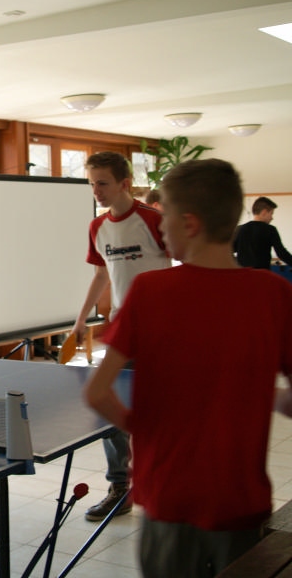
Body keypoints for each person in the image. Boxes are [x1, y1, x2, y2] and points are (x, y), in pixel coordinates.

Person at [84, 158, 292, 577]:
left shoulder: (149, 290)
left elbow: (97, 392)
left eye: (166, 219)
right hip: (240, 499)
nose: (160, 228)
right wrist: (267, 395)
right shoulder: (274, 293)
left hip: (168, 495)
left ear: (190, 223)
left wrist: (144, 429)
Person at [70, 151, 171, 522]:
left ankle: (165, 484)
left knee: (164, 413)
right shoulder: (98, 227)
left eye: (103, 183)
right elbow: (101, 275)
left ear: (124, 183)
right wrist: (81, 319)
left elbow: (181, 264)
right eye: (92, 183)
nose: (96, 191)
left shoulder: (153, 220)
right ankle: (120, 488)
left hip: (160, 335)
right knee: (108, 413)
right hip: (121, 335)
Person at [233, 196, 292, 269]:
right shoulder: (270, 230)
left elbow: (230, 250)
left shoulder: (240, 229)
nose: (272, 218)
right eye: (271, 213)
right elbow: (281, 253)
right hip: (262, 273)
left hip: (243, 273)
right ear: (264, 212)